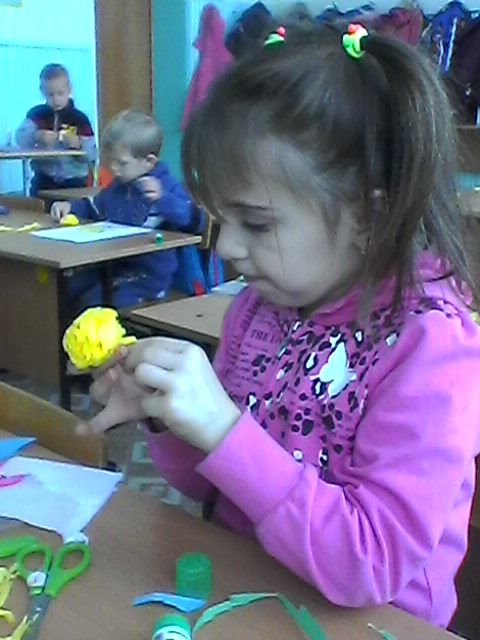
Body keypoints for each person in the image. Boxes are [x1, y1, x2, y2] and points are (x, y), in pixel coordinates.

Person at [75, 24, 480, 627]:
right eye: (220, 219)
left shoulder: (431, 347)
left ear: (367, 219)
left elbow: (371, 564)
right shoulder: (258, 310)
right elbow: (211, 484)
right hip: (249, 591)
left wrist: (224, 427)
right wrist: (170, 417)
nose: (226, 248)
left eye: (257, 224)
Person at [50, 109, 201, 313]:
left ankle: (103, 332)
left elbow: (191, 218)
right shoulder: (120, 185)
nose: (113, 168)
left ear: (149, 161)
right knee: (66, 287)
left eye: (121, 163)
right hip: (112, 265)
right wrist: (70, 207)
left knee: (97, 302)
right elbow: (96, 205)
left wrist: (163, 198)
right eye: (111, 160)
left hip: (148, 276)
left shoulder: (165, 186)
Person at [16, 63, 97, 196]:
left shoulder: (80, 119)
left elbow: (93, 154)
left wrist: (78, 145)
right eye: (50, 95)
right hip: (44, 179)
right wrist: (36, 135)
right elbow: (20, 138)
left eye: (60, 94)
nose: (56, 100)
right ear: (42, 91)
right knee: (38, 205)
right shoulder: (36, 115)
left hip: (74, 181)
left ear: (69, 89)